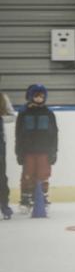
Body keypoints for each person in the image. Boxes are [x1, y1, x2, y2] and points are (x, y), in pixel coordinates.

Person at [15, 84, 58, 212]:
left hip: (44, 151)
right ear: (30, 97)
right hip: (28, 151)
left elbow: (54, 134)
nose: (40, 98)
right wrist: (19, 151)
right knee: (28, 175)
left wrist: (53, 151)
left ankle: (41, 197)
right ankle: (26, 199)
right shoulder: (24, 113)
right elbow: (18, 134)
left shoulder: (49, 113)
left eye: (42, 96)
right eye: (36, 96)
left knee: (43, 174)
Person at [0, 85, 16, 220]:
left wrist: (1, 118)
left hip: (0, 144)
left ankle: (4, 205)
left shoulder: (2, 97)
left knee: (1, 177)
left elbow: (12, 116)